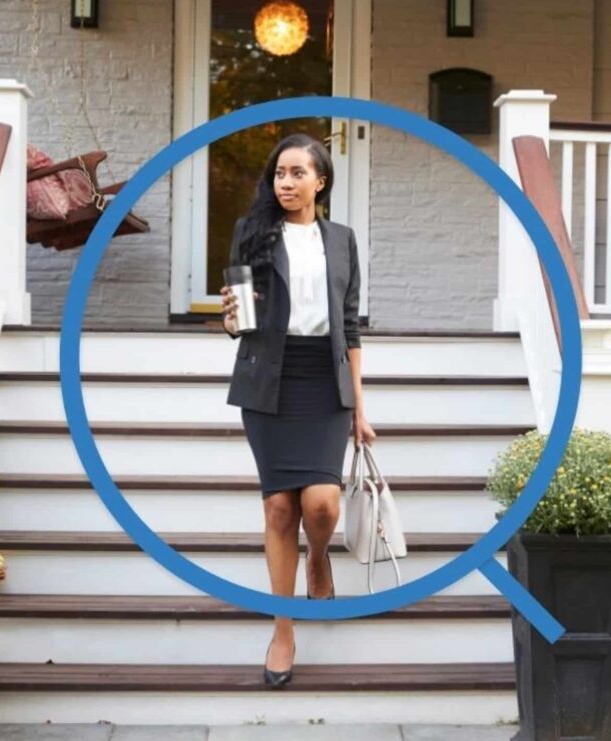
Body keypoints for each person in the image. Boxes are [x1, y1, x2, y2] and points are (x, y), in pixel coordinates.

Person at [220, 133, 377, 688]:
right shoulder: (252, 232)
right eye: (278, 174)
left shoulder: (342, 240)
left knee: (322, 506)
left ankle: (318, 555)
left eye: (296, 174)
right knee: (279, 510)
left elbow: (350, 325)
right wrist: (233, 314)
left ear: (320, 181)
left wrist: (358, 406)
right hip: (270, 382)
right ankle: (283, 630)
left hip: (323, 381)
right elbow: (239, 321)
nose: (284, 183)